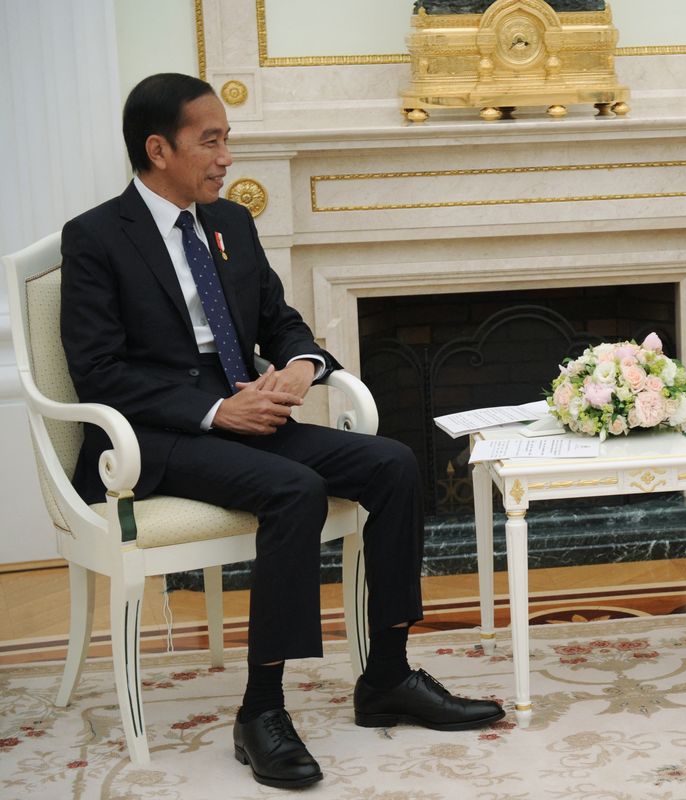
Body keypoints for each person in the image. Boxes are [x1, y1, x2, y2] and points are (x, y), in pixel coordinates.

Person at [60, 73, 504, 789]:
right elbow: (98, 373)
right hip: (158, 439)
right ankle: (260, 711)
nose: (226, 156)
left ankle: (386, 675)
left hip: (252, 416)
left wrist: (299, 368)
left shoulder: (231, 224)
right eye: (211, 141)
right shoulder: (96, 239)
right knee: (296, 490)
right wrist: (213, 412)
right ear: (158, 148)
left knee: (392, 465)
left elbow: (280, 321)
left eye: (226, 140)